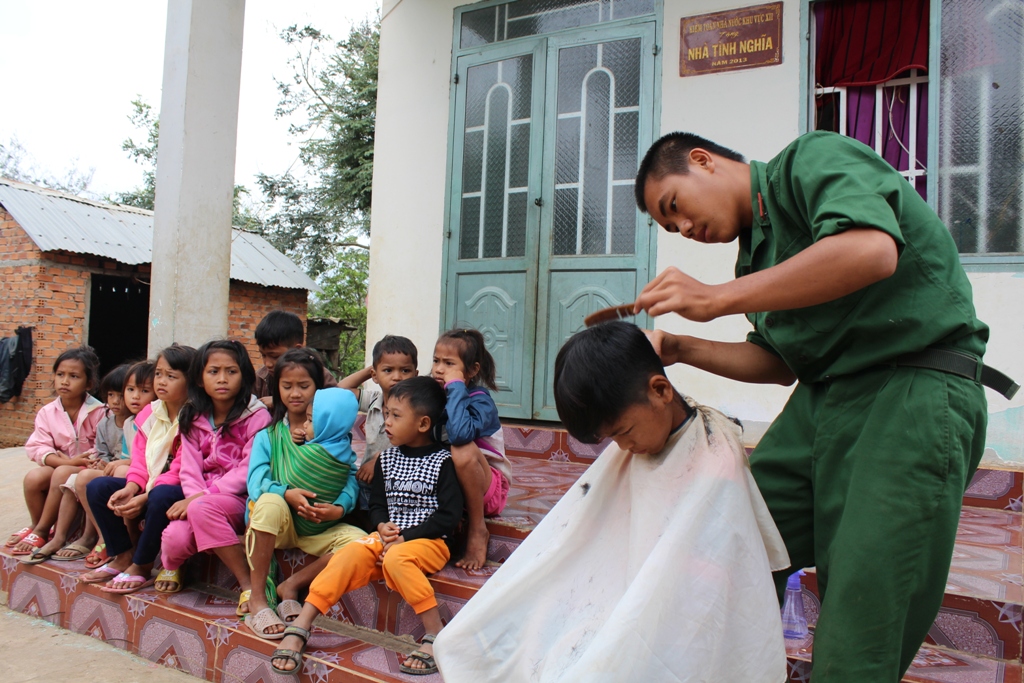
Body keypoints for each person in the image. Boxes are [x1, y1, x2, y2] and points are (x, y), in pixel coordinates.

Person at [631, 130, 998, 681]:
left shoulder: (809, 161)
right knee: (729, 534)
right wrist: (680, 347)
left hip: (914, 388)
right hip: (825, 398)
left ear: (703, 162)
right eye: (670, 228)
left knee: (859, 614)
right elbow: (780, 363)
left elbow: (870, 249)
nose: (683, 229)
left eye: (675, 207)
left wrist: (715, 299)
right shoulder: (752, 259)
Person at [434, 321, 790, 681]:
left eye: (623, 432)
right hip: (606, 600)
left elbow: (707, 577)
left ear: (661, 390)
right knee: (471, 639)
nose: (624, 448)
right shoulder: (634, 447)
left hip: (673, 616)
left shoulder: (715, 458)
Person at [270, 376, 463, 676]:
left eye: (396, 416)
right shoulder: (386, 459)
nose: (386, 421)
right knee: (349, 552)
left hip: (430, 541)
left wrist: (405, 538)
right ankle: (301, 624)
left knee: (398, 559)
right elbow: (378, 506)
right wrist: (382, 526)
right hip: (388, 539)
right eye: (386, 412)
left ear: (423, 424)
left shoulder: (443, 462)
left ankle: (435, 634)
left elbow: (448, 517)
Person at [244, 352, 366, 639]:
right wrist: (286, 493)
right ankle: (258, 598)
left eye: (304, 386)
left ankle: (292, 585)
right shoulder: (269, 435)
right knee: (269, 501)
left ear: (318, 390)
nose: (295, 394)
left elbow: (349, 477)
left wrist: (340, 508)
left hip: (319, 528)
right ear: (277, 389)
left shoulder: (335, 438)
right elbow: (256, 482)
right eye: (287, 386)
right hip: (279, 525)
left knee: (362, 544)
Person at [160, 340, 271, 612]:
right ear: (199, 378)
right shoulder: (192, 415)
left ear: (244, 376)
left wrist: (201, 498)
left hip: (239, 499)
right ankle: (178, 565)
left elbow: (248, 469)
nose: (222, 379)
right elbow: (189, 467)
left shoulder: (257, 417)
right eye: (213, 371)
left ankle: (248, 585)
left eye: (231, 371)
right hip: (199, 500)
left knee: (200, 509)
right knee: (174, 542)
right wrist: (195, 497)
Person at [81, 346, 194, 592]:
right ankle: (122, 554)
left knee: (161, 496)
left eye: (171, 376)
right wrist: (132, 486)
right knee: (98, 487)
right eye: (159, 374)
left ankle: (142, 565)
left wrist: (145, 495)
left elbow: (181, 469)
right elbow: (140, 461)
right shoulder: (148, 414)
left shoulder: (195, 417)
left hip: (183, 489)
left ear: (191, 380)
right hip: (152, 484)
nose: (161, 382)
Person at [7, 347, 104, 556]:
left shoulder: (98, 411)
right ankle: (37, 525)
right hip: (62, 466)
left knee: (61, 473)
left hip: (86, 468)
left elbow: (101, 448)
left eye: (74, 376)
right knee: (33, 478)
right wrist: (62, 461)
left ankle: (43, 529)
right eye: (60, 375)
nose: (65, 381)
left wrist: (72, 464)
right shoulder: (48, 412)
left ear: (89, 383)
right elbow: (37, 446)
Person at [30, 364, 131, 564]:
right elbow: (101, 451)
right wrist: (95, 462)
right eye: (111, 395)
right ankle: (55, 535)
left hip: (125, 470)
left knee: (83, 478)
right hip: (100, 465)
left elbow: (140, 454)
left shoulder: (127, 420)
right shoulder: (105, 423)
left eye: (122, 394)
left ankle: (99, 537)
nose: (116, 401)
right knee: (65, 476)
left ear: (89, 383)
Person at [431, 328, 510, 570]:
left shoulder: (480, 400)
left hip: (489, 487)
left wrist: (456, 387)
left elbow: (460, 433)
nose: (439, 369)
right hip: (452, 486)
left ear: (472, 370)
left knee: (461, 448)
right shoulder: (435, 393)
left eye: (449, 363)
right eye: (436, 361)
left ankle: (477, 528)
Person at [79, 359, 157, 569]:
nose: (134, 396)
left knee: (121, 471)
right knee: (91, 483)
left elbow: (155, 459)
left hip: (156, 479)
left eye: (144, 390)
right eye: (130, 389)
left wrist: (125, 463)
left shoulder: (160, 420)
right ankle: (112, 543)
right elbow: (131, 456)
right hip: (137, 476)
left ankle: (131, 543)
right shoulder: (132, 422)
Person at [339, 335, 418, 513]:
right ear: (375, 375)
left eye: (405, 371)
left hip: (401, 486)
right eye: (388, 370)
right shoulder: (374, 399)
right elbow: (339, 390)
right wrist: (370, 370)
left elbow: (415, 442)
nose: (397, 377)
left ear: (416, 374)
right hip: (369, 483)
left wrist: (380, 460)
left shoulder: (418, 407)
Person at [253, 310, 337, 405]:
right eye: (263, 355)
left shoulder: (321, 375)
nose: (268, 363)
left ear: (297, 349)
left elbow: (332, 406)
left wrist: (278, 402)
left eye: (275, 356)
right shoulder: (259, 379)